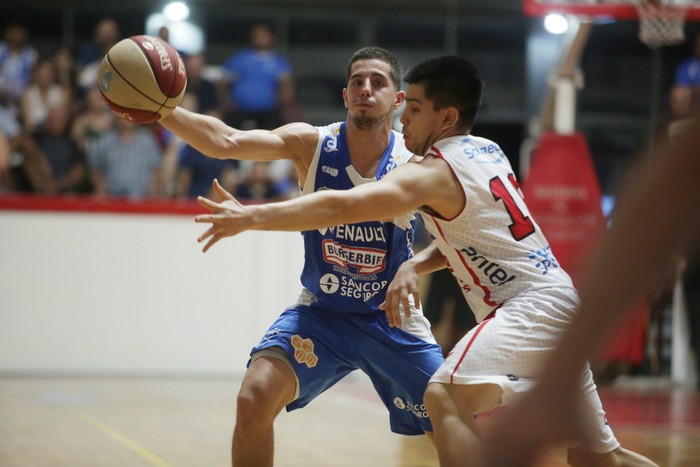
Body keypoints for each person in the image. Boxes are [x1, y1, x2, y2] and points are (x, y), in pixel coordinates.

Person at [191, 55, 658, 467]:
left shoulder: (429, 173)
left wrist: (250, 216)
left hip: (525, 309)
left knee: (444, 399)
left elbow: (339, 207)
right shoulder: (487, 150)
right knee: (598, 458)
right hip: (553, 301)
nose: (404, 118)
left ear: (446, 116)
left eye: (413, 109)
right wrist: (413, 265)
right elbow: (471, 236)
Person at [158, 47, 444, 466]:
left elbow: (456, 241)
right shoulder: (312, 144)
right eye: (357, 82)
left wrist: (414, 265)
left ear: (398, 100)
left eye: (378, 82)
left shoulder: (415, 163)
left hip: (390, 318)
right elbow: (226, 141)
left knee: (451, 419)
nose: (366, 89)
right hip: (322, 314)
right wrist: (161, 110)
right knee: (253, 398)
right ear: (345, 95)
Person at [220, 23, 299, 130]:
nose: (260, 39)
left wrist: (286, 106)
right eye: (257, 36)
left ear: (271, 38)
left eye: (264, 36)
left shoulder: (279, 62)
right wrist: (226, 101)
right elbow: (224, 81)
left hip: (269, 112)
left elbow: (286, 86)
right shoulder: (240, 58)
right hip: (240, 111)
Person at [87, 117, 163, 198]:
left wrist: (152, 189)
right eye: (122, 117)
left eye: (129, 117)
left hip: (141, 198)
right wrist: (100, 188)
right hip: (111, 197)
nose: (125, 121)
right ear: (115, 118)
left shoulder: (147, 140)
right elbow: (94, 168)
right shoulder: (105, 141)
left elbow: (157, 168)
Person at [670, 32, 700, 120]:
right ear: (695, 47)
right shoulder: (687, 65)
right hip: (694, 100)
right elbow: (681, 87)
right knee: (678, 93)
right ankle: (681, 122)